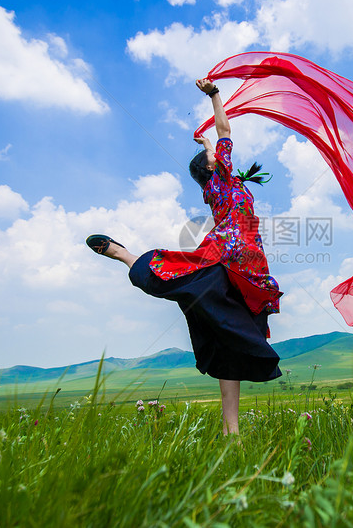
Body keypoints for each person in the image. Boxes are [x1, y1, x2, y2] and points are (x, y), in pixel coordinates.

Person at [86, 78, 283, 435]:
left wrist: (205, 143)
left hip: (250, 264)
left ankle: (231, 432)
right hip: (229, 254)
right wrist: (213, 95)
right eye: (217, 155)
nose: (223, 155)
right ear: (214, 166)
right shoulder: (221, 178)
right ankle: (126, 256)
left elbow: (215, 145)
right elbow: (225, 128)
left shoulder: (216, 184)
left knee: (233, 338)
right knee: (178, 274)